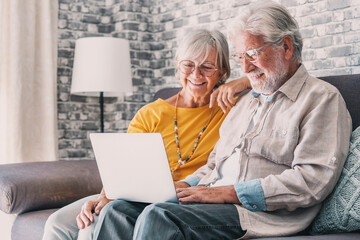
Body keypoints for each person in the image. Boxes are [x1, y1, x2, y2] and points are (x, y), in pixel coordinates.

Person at [92, 1, 353, 239]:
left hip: (258, 214)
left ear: (285, 46)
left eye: (252, 54)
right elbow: (215, 164)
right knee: (118, 210)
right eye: (241, 58)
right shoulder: (245, 102)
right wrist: (185, 186)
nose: (246, 68)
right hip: (215, 200)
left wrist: (227, 193)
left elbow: (312, 181)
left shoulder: (321, 98)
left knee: (160, 215)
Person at [42, 29, 250, 240]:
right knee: (57, 223)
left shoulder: (233, 107)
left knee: (90, 228)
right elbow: (123, 167)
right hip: (136, 195)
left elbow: (272, 78)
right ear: (178, 65)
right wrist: (105, 196)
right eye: (189, 65)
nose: (196, 75)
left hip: (186, 198)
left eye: (207, 67)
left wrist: (243, 82)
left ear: (222, 72)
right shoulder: (150, 114)